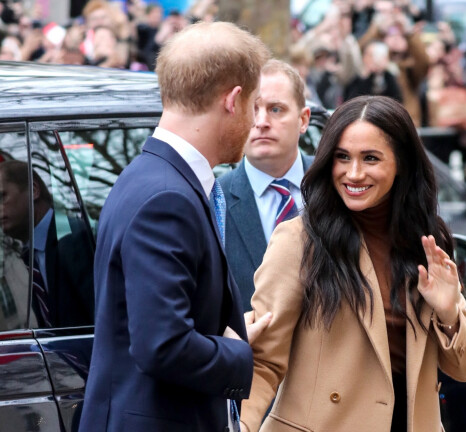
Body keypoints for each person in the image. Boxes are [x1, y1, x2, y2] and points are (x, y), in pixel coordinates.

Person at [240, 96, 466, 432]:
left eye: (370, 158)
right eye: (342, 157)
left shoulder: (426, 244)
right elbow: (264, 360)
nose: (353, 173)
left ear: (402, 164)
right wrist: (238, 427)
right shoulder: (299, 241)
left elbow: (465, 368)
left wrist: (448, 315)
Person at [79, 21, 271, 432]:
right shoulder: (167, 197)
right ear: (233, 100)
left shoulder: (150, 177)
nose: (257, 121)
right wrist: (238, 353)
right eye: (256, 104)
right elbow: (162, 345)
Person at [219, 59, 312, 311]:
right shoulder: (213, 200)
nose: (261, 122)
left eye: (276, 109)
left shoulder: (336, 183)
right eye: (252, 109)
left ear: (303, 120)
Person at [0, 160, 94, 329]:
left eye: (2, 196)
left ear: (34, 191)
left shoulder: (73, 238)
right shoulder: (28, 253)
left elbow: (101, 320)